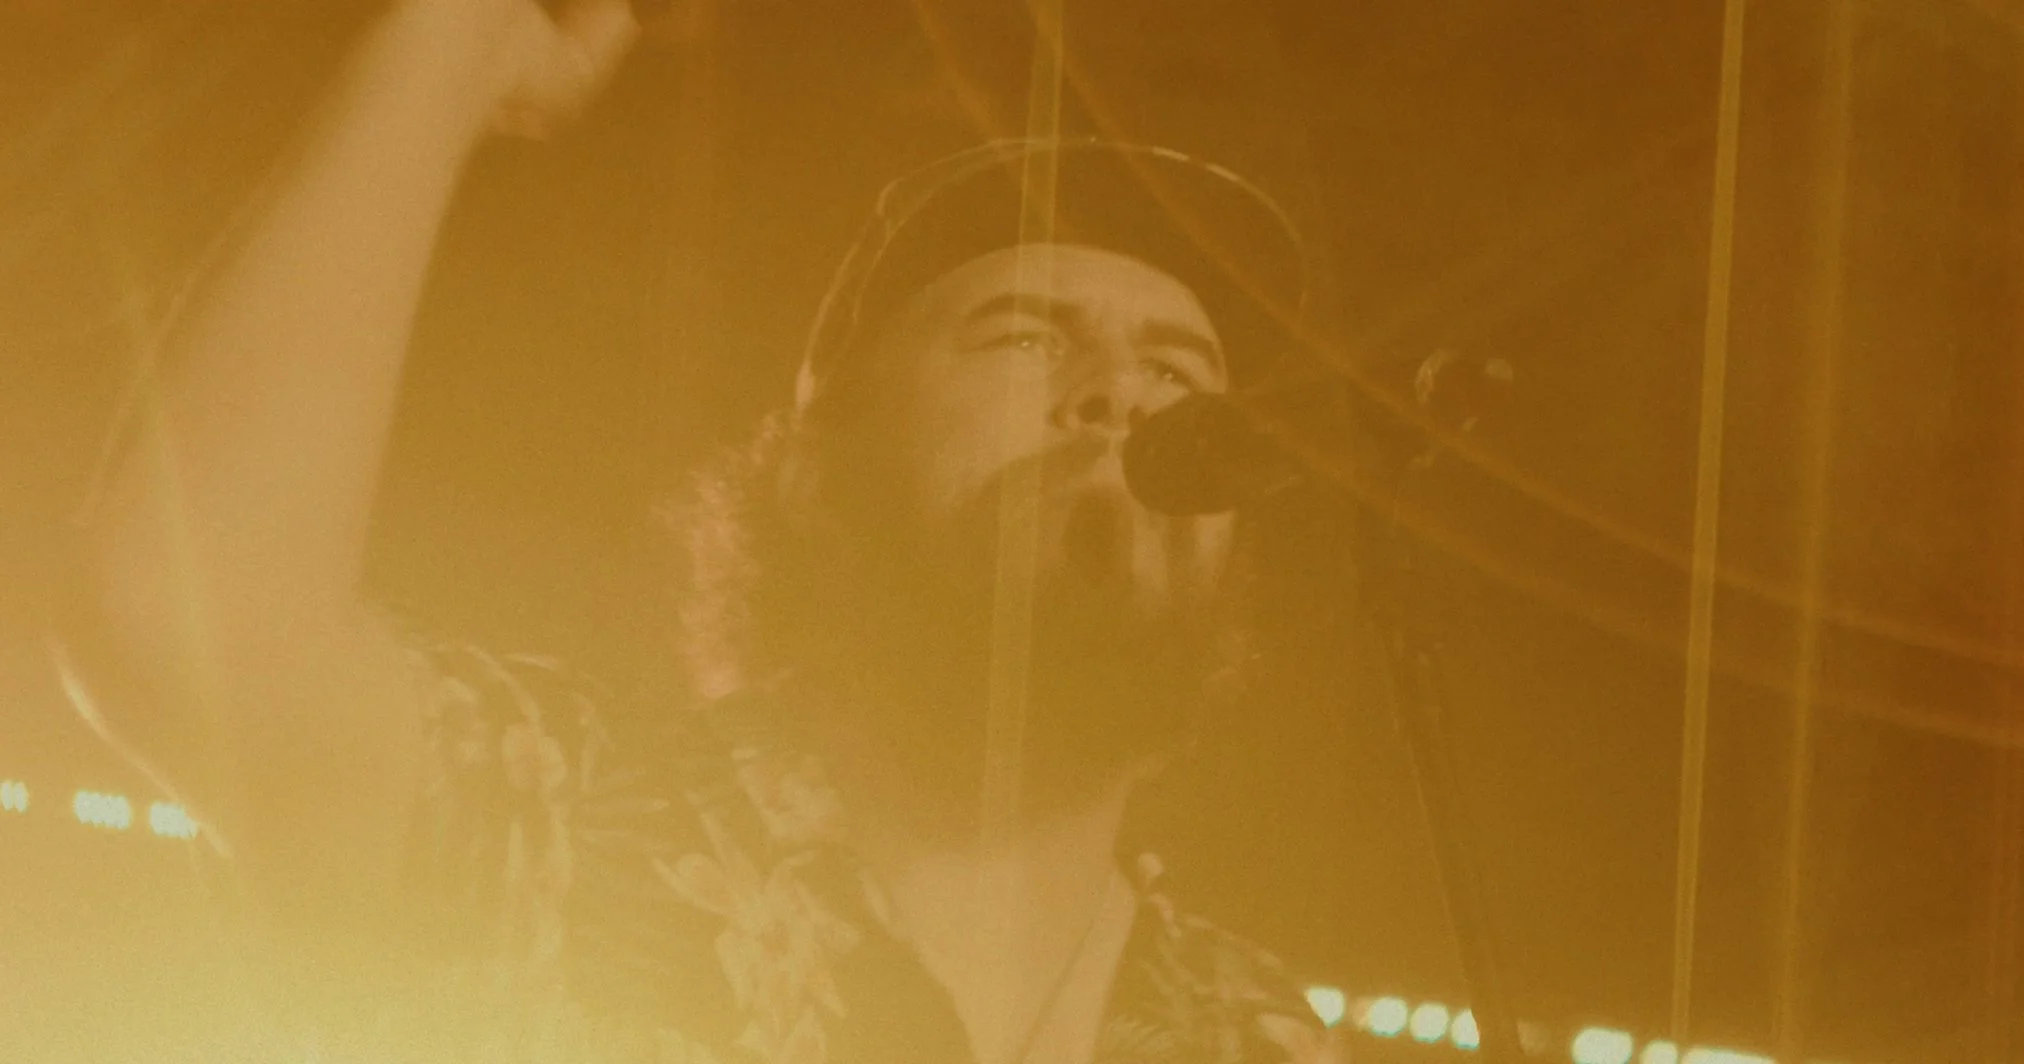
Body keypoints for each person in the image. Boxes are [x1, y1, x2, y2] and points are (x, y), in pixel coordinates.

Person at [56, 0, 1345, 1061]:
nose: (1122, 390)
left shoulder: (1265, 1034)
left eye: (1182, 374)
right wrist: (452, 46)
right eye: (1021, 335)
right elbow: (186, 617)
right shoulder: (560, 816)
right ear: (809, 458)